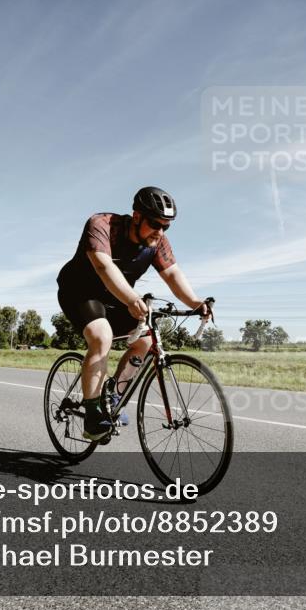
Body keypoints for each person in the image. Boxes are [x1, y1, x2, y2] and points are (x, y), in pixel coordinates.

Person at [56, 186, 211, 440]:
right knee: (101, 335)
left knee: (146, 340)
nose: (160, 231)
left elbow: (172, 274)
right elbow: (103, 266)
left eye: (166, 226)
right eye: (155, 223)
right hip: (79, 292)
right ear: (137, 216)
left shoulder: (156, 241)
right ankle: (93, 415)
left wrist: (195, 302)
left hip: (114, 298)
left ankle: (113, 396)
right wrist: (132, 298)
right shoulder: (102, 225)